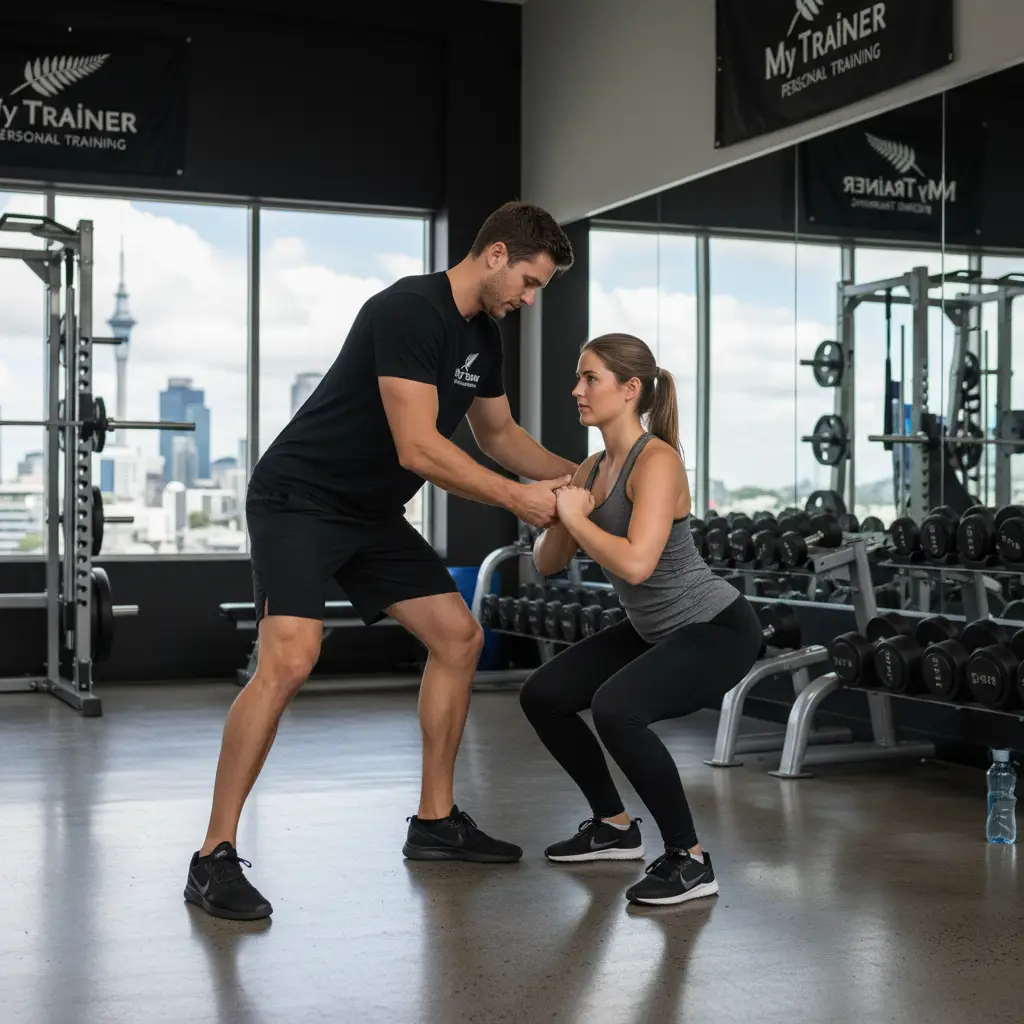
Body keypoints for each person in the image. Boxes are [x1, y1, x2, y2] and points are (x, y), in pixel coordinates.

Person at [184, 202, 577, 920]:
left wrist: (583, 475)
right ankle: (213, 855)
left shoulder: (482, 335)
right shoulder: (407, 310)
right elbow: (418, 449)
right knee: (290, 660)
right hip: (300, 497)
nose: (529, 297)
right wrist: (522, 500)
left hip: (369, 514)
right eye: (528, 280)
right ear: (495, 255)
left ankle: (434, 823)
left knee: (459, 638)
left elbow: (499, 434)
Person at [519, 333, 763, 906]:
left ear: (630, 390)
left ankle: (690, 860)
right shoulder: (592, 466)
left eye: (590, 378)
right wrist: (566, 513)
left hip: (716, 628)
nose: (577, 390)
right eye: (579, 378)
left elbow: (635, 563)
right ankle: (614, 826)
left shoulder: (657, 461)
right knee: (543, 694)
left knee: (617, 708)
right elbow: (547, 563)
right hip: (655, 628)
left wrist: (577, 520)